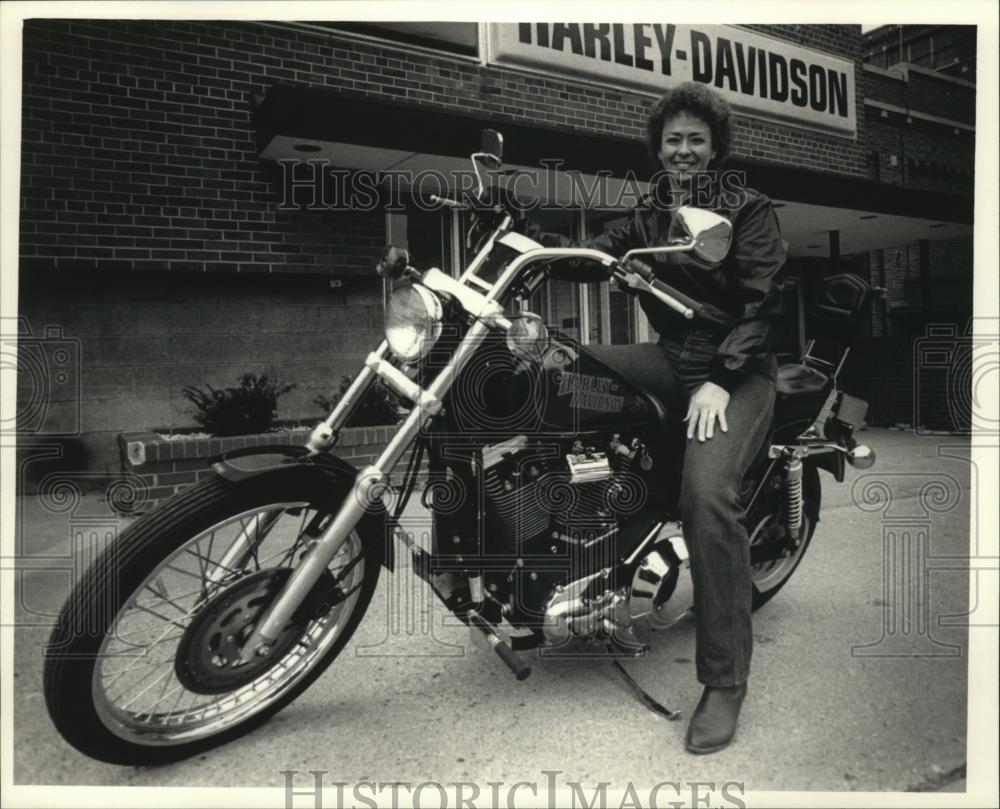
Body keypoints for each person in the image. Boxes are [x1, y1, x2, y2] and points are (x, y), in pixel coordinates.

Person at [527, 81, 786, 754]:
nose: (684, 150)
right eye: (673, 139)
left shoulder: (746, 210)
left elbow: (762, 302)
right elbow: (596, 254)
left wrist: (722, 380)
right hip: (672, 356)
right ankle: (574, 542)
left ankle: (726, 679)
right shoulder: (649, 215)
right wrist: (526, 236)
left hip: (739, 369)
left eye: (697, 138)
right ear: (658, 148)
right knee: (558, 365)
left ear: (716, 146)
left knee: (705, 496)